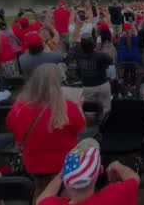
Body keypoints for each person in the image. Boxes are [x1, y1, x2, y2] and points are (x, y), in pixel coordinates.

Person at [7, 63, 86, 196]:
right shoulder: (67, 107)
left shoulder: (17, 108)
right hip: (65, 164)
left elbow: (15, 132)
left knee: (41, 192)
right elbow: (80, 128)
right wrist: (79, 108)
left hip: (34, 165)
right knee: (67, 194)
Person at [37, 138, 139, 205]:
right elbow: (135, 179)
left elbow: (41, 200)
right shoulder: (114, 196)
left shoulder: (50, 203)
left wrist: (62, 173)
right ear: (100, 170)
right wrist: (117, 165)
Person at [67, 37, 114, 114]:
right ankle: (103, 122)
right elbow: (110, 61)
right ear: (94, 45)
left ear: (81, 47)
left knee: (87, 110)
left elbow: (68, 58)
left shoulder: (78, 55)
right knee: (106, 109)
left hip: (87, 87)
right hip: (102, 85)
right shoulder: (101, 55)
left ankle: (89, 121)